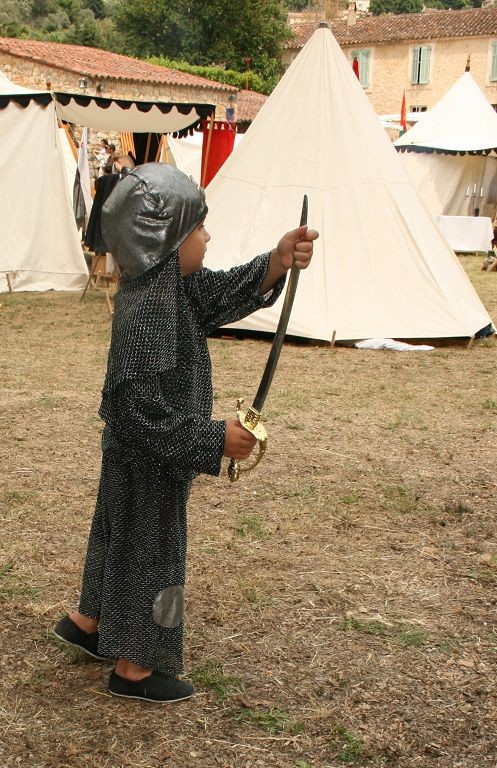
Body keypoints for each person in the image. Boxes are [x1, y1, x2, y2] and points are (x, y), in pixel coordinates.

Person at [53, 163, 318, 704]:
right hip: (150, 460)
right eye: (199, 228)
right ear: (166, 240)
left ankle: (89, 622)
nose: (208, 236)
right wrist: (213, 439)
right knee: (154, 556)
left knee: (116, 537)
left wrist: (276, 261)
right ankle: (135, 667)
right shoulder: (149, 310)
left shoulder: (169, 285)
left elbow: (220, 293)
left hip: (136, 458)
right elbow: (138, 413)